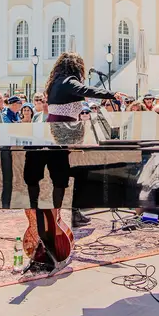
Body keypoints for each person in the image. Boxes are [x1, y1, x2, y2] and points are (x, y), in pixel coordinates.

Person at [43, 52, 127, 227]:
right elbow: (85, 90)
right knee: (74, 172)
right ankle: (73, 213)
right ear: (75, 66)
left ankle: (69, 212)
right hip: (66, 130)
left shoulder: (57, 81)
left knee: (66, 172)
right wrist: (112, 94)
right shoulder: (68, 81)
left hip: (60, 129)